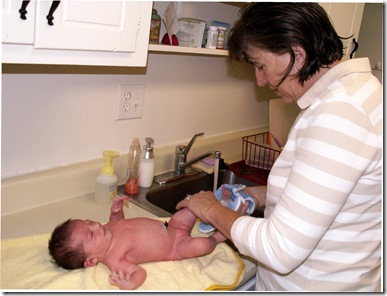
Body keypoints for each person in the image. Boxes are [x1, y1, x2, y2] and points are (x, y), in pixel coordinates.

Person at [177, 2, 382, 292]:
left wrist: (211, 210)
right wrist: (258, 195)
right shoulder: (360, 91)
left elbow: (279, 249)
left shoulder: (339, 113)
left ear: (297, 55)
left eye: (261, 66)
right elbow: (335, 197)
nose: (260, 81)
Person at [48, 196, 225, 290]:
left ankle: (223, 203)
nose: (95, 224)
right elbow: (139, 273)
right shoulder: (115, 260)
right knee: (202, 246)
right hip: (176, 246)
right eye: (91, 234)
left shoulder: (108, 227)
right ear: (91, 261)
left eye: (88, 221)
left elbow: (118, 221)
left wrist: (116, 212)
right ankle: (217, 237)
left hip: (173, 225)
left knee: (193, 207)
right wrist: (129, 284)